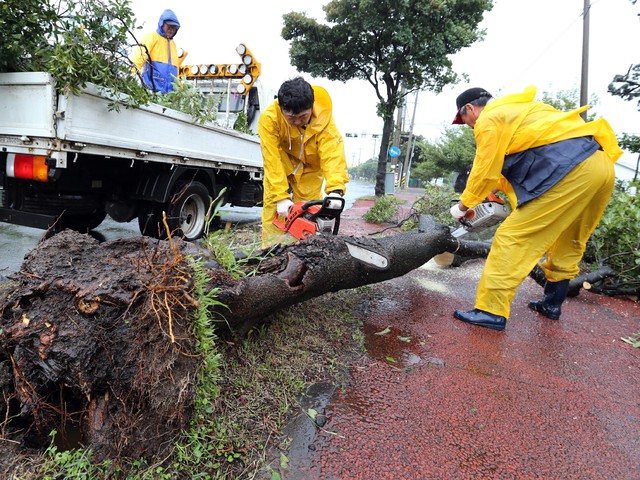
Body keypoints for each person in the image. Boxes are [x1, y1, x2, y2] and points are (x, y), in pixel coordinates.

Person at [449, 86, 622, 331]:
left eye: (464, 120)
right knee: (570, 238)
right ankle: (552, 304)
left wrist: (463, 205)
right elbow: (529, 156)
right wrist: (492, 193)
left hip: (570, 170)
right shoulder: (522, 111)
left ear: (470, 108)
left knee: (512, 239)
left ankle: (490, 311)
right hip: (600, 165)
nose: (468, 126)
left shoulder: (488, 118)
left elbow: (483, 170)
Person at [258, 77, 349, 247]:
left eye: (303, 117)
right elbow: (271, 157)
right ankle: (270, 255)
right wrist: (280, 196)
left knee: (308, 214)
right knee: (274, 212)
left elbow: (332, 152)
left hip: (311, 169)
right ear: (281, 108)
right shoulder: (269, 119)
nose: (298, 122)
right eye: (292, 118)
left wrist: (336, 189)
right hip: (282, 165)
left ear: (312, 105)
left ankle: (302, 253)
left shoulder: (324, 117)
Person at [131, 9, 187, 94]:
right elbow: (139, 58)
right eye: (169, 26)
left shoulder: (173, 45)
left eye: (173, 27)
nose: (171, 29)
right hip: (151, 91)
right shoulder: (151, 37)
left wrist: (181, 90)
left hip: (169, 96)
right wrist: (132, 76)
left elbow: (176, 72)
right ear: (162, 24)